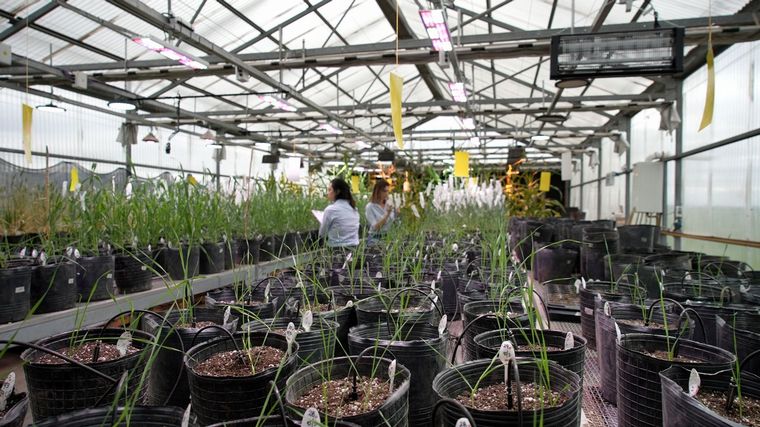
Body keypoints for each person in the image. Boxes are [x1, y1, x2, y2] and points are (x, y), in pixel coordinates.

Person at [318, 178, 360, 248]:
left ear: (337, 191)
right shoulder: (354, 209)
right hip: (355, 248)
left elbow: (322, 234)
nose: (327, 193)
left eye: (329, 190)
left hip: (337, 249)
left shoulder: (330, 210)